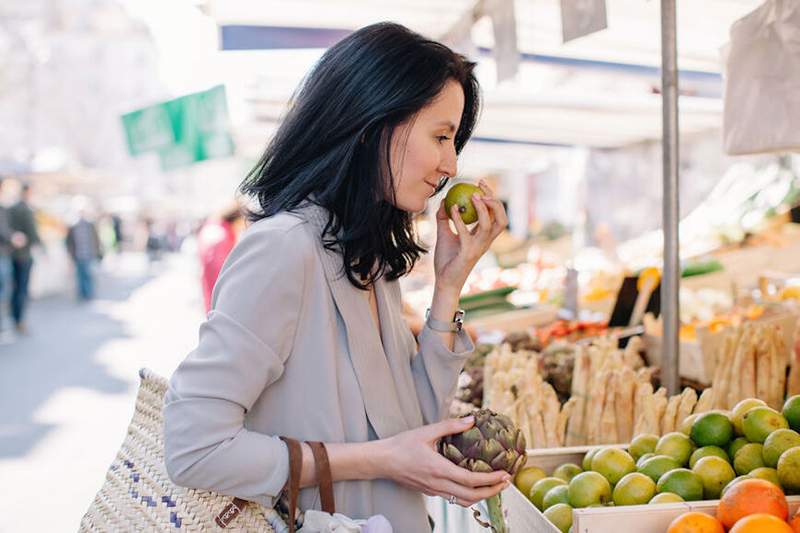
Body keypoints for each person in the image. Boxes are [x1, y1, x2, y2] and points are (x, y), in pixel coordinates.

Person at [163, 23, 509, 532]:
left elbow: (410, 428)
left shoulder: (364, 259)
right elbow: (193, 448)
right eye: (440, 136)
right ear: (372, 123)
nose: (450, 164)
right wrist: (375, 460)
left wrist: (449, 286)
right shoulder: (284, 249)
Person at [196, 203, 243, 313]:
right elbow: (221, 271)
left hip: (210, 294)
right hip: (220, 301)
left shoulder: (213, 228)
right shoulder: (222, 235)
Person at [8, 183, 41, 334]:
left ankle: (14, 317)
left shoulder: (11, 209)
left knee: (15, 288)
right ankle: (19, 320)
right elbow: (33, 234)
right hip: (24, 255)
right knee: (22, 289)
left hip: (12, 254)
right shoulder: (26, 210)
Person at [66, 208, 103, 301]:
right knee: (80, 274)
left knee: (87, 274)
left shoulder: (90, 225)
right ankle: (83, 293)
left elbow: (96, 239)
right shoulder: (73, 226)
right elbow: (69, 242)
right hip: (78, 254)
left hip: (88, 253)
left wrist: (98, 251)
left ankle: (88, 293)